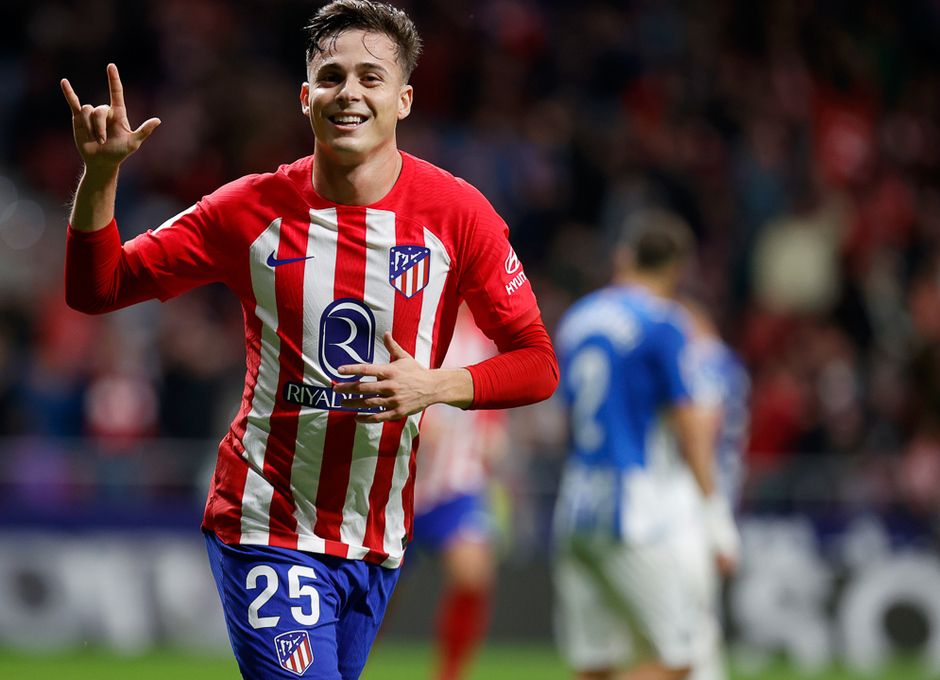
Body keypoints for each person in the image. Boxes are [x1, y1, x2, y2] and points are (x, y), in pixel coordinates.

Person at [59, 1, 558, 678]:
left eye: (370, 77)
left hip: (373, 536)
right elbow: (100, 288)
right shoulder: (247, 210)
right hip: (267, 521)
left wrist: (437, 386)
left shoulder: (458, 215)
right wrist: (100, 177)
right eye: (330, 76)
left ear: (404, 98)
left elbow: (538, 364)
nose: (348, 92)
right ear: (305, 96)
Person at [551, 210, 739, 680]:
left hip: (574, 500)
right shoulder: (666, 323)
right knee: (680, 656)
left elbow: (565, 417)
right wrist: (714, 511)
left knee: (594, 662)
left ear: (624, 257)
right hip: (630, 507)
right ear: (678, 269)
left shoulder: (578, 318)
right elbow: (691, 424)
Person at [644, 298, 750, 680]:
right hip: (715, 488)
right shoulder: (730, 363)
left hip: (692, 494)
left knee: (690, 609)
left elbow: (701, 427)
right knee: (696, 607)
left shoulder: (704, 360)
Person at [408, 304, 508, 680]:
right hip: (402, 485)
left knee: (473, 574)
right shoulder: (419, 327)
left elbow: (490, 398)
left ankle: (449, 674)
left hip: (456, 482)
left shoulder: (482, 341)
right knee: (377, 596)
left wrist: (492, 434)